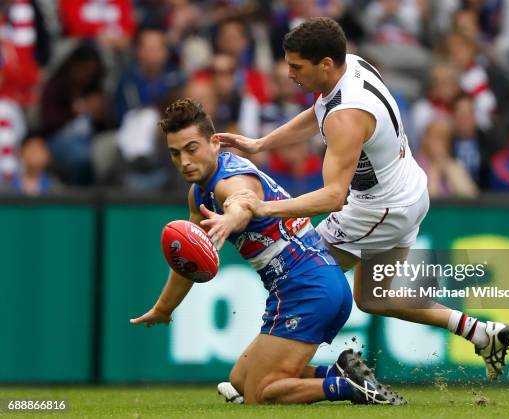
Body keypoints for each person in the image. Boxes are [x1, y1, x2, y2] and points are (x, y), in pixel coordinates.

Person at [215, 17, 509, 384]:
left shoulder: (347, 117)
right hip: (407, 191)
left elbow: (332, 196)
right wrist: (261, 144)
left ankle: (272, 372)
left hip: (378, 208)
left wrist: (262, 207)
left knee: (301, 271)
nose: (289, 73)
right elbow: (317, 113)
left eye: (296, 66)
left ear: (325, 64)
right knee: (374, 298)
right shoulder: (352, 66)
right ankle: (479, 332)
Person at [129, 98, 405, 406]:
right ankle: (340, 372)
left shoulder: (229, 183)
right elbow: (187, 262)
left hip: (308, 286)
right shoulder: (199, 192)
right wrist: (165, 308)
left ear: (215, 143)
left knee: (259, 394)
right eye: (175, 153)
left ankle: (352, 389)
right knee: (240, 380)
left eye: (191, 149)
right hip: (310, 282)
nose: (184, 161)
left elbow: (242, 201)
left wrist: (231, 217)